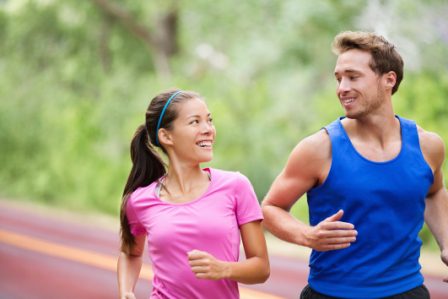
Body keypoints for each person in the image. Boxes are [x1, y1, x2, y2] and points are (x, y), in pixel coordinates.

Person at [262, 31, 448, 299]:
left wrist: (445, 243)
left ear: (389, 80)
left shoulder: (428, 146)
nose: (342, 87)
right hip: (332, 294)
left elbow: (434, 192)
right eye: (338, 79)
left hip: (407, 292)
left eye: (353, 76)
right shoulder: (318, 148)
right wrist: (307, 235)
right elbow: (271, 208)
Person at [117, 89, 270, 299]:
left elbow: (261, 268)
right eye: (195, 122)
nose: (208, 129)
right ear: (166, 136)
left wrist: (224, 269)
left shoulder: (236, 186)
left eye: (209, 120)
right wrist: (126, 291)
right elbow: (130, 253)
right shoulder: (140, 201)